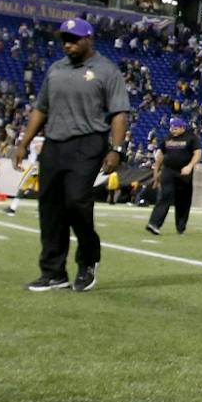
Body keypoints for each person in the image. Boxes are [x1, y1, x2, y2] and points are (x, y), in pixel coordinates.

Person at [12, 17, 131, 293]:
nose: (68, 44)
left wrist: (116, 149)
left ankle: (89, 259)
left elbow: (119, 113)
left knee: (77, 201)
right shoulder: (55, 70)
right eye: (65, 39)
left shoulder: (106, 70)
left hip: (88, 143)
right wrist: (23, 142)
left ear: (89, 39)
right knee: (50, 207)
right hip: (54, 143)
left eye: (74, 39)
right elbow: (41, 108)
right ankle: (53, 272)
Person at [146, 117, 200, 235]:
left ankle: (180, 227)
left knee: (183, 201)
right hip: (168, 171)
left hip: (184, 173)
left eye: (175, 128)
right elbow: (160, 156)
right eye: (171, 127)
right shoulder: (167, 138)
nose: (173, 130)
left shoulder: (191, 138)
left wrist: (190, 166)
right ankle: (154, 224)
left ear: (182, 128)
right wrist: (156, 174)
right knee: (164, 196)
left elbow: (197, 153)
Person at [6, 134, 42, 216]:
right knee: (40, 189)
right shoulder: (44, 138)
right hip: (42, 166)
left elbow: (38, 150)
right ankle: (40, 210)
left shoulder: (35, 139)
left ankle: (12, 208)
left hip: (35, 166)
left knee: (22, 186)